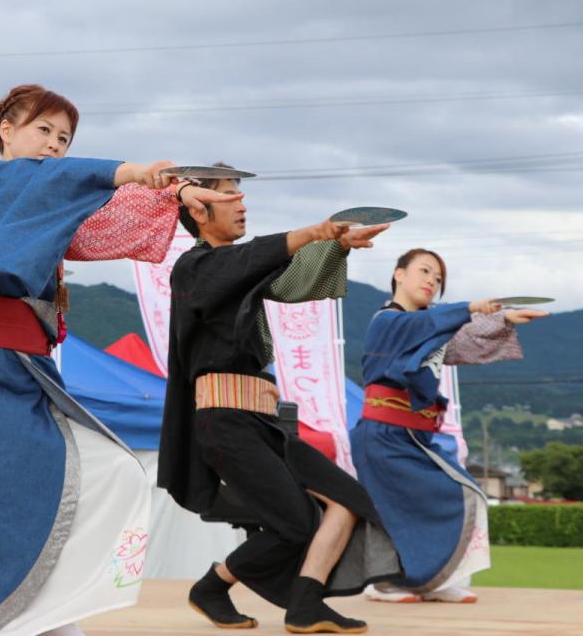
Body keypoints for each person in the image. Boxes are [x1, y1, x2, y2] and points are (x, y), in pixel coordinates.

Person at [0, 84, 239, 636]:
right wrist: (135, 170)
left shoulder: (43, 205)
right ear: (5, 130)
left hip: (22, 368)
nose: (54, 145)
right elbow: (54, 184)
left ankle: (53, 617)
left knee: (95, 476)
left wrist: (173, 193)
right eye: (42, 130)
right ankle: (4, 623)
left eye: (64, 138)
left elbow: (98, 221)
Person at [159, 167, 402, 635]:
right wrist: (314, 232)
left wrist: (335, 246)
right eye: (230, 196)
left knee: (347, 500)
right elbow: (253, 262)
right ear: (198, 209)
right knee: (293, 523)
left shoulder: (236, 270)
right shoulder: (194, 268)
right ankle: (213, 585)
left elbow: (283, 277)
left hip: (262, 422)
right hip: (224, 420)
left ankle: (305, 605)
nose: (242, 201)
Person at [350, 248, 547, 604]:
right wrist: (472, 306)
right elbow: (427, 324)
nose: (432, 281)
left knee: (445, 499)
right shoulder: (389, 321)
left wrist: (506, 319)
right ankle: (384, 583)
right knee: (414, 504)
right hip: (382, 436)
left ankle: (431, 582)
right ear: (398, 274)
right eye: (425, 271)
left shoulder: (426, 327)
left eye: (438, 279)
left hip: (413, 436)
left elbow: (463, 340)